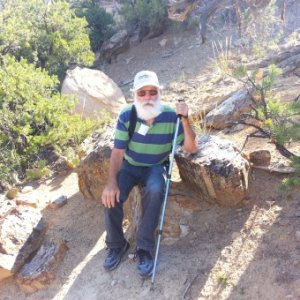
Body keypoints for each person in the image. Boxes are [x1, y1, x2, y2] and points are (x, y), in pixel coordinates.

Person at [101, 70, 198, 278]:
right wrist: (111, 183)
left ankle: (144, 248)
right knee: (111, 197)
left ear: (159, 93)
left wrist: (185, 120)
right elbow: (118, 151)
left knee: (155, 189)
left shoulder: (172, 116)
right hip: (130, 164)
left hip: (155, 165)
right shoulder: (127, 115)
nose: (147, 97)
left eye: (152, 92)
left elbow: (191, 148)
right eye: (142, 93)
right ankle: (117, 245)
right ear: (134, 95)